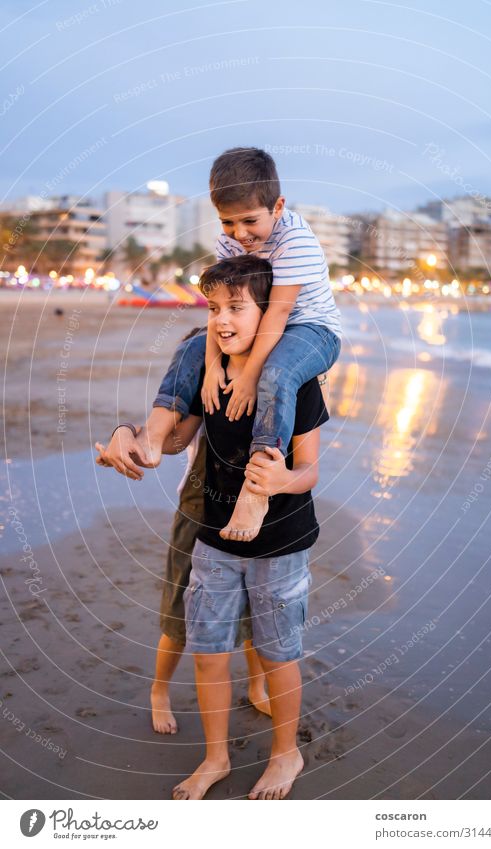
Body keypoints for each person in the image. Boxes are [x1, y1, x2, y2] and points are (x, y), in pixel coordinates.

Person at [150, 255, 329, 800]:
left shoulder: (294, 377)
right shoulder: (209, 371)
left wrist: (280, 481)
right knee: (207, 652)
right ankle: (215, 759)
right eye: (213, 307)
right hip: (213, 535)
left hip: (281, 542)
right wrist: (130, 439)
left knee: (278, 653)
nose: (223, 319)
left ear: (268, 312)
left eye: (236, 307)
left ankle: (285, 754)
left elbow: (311, 472)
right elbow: (174, 439)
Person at [105, 147, 341, 543]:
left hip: (310, 329)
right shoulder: (230, 243)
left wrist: (249, 376)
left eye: (250, 220)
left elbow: (278, 314)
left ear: (277, 206)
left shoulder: (295, 241)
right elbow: (218, 310)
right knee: (193, 346)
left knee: (278, 371)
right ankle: (151, 435)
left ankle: (257, 485)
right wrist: (213, 366)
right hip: (258, 326)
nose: (240, 233)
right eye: (228, 222)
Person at [96, 329, 271, 735]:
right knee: (179, 611)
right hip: (199, 510)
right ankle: (159, 691)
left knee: (255, 609)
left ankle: (258, 685)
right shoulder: (204, 392)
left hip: (256, 513)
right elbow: (169, 441)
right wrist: (125, 432)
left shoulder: (267, 384)